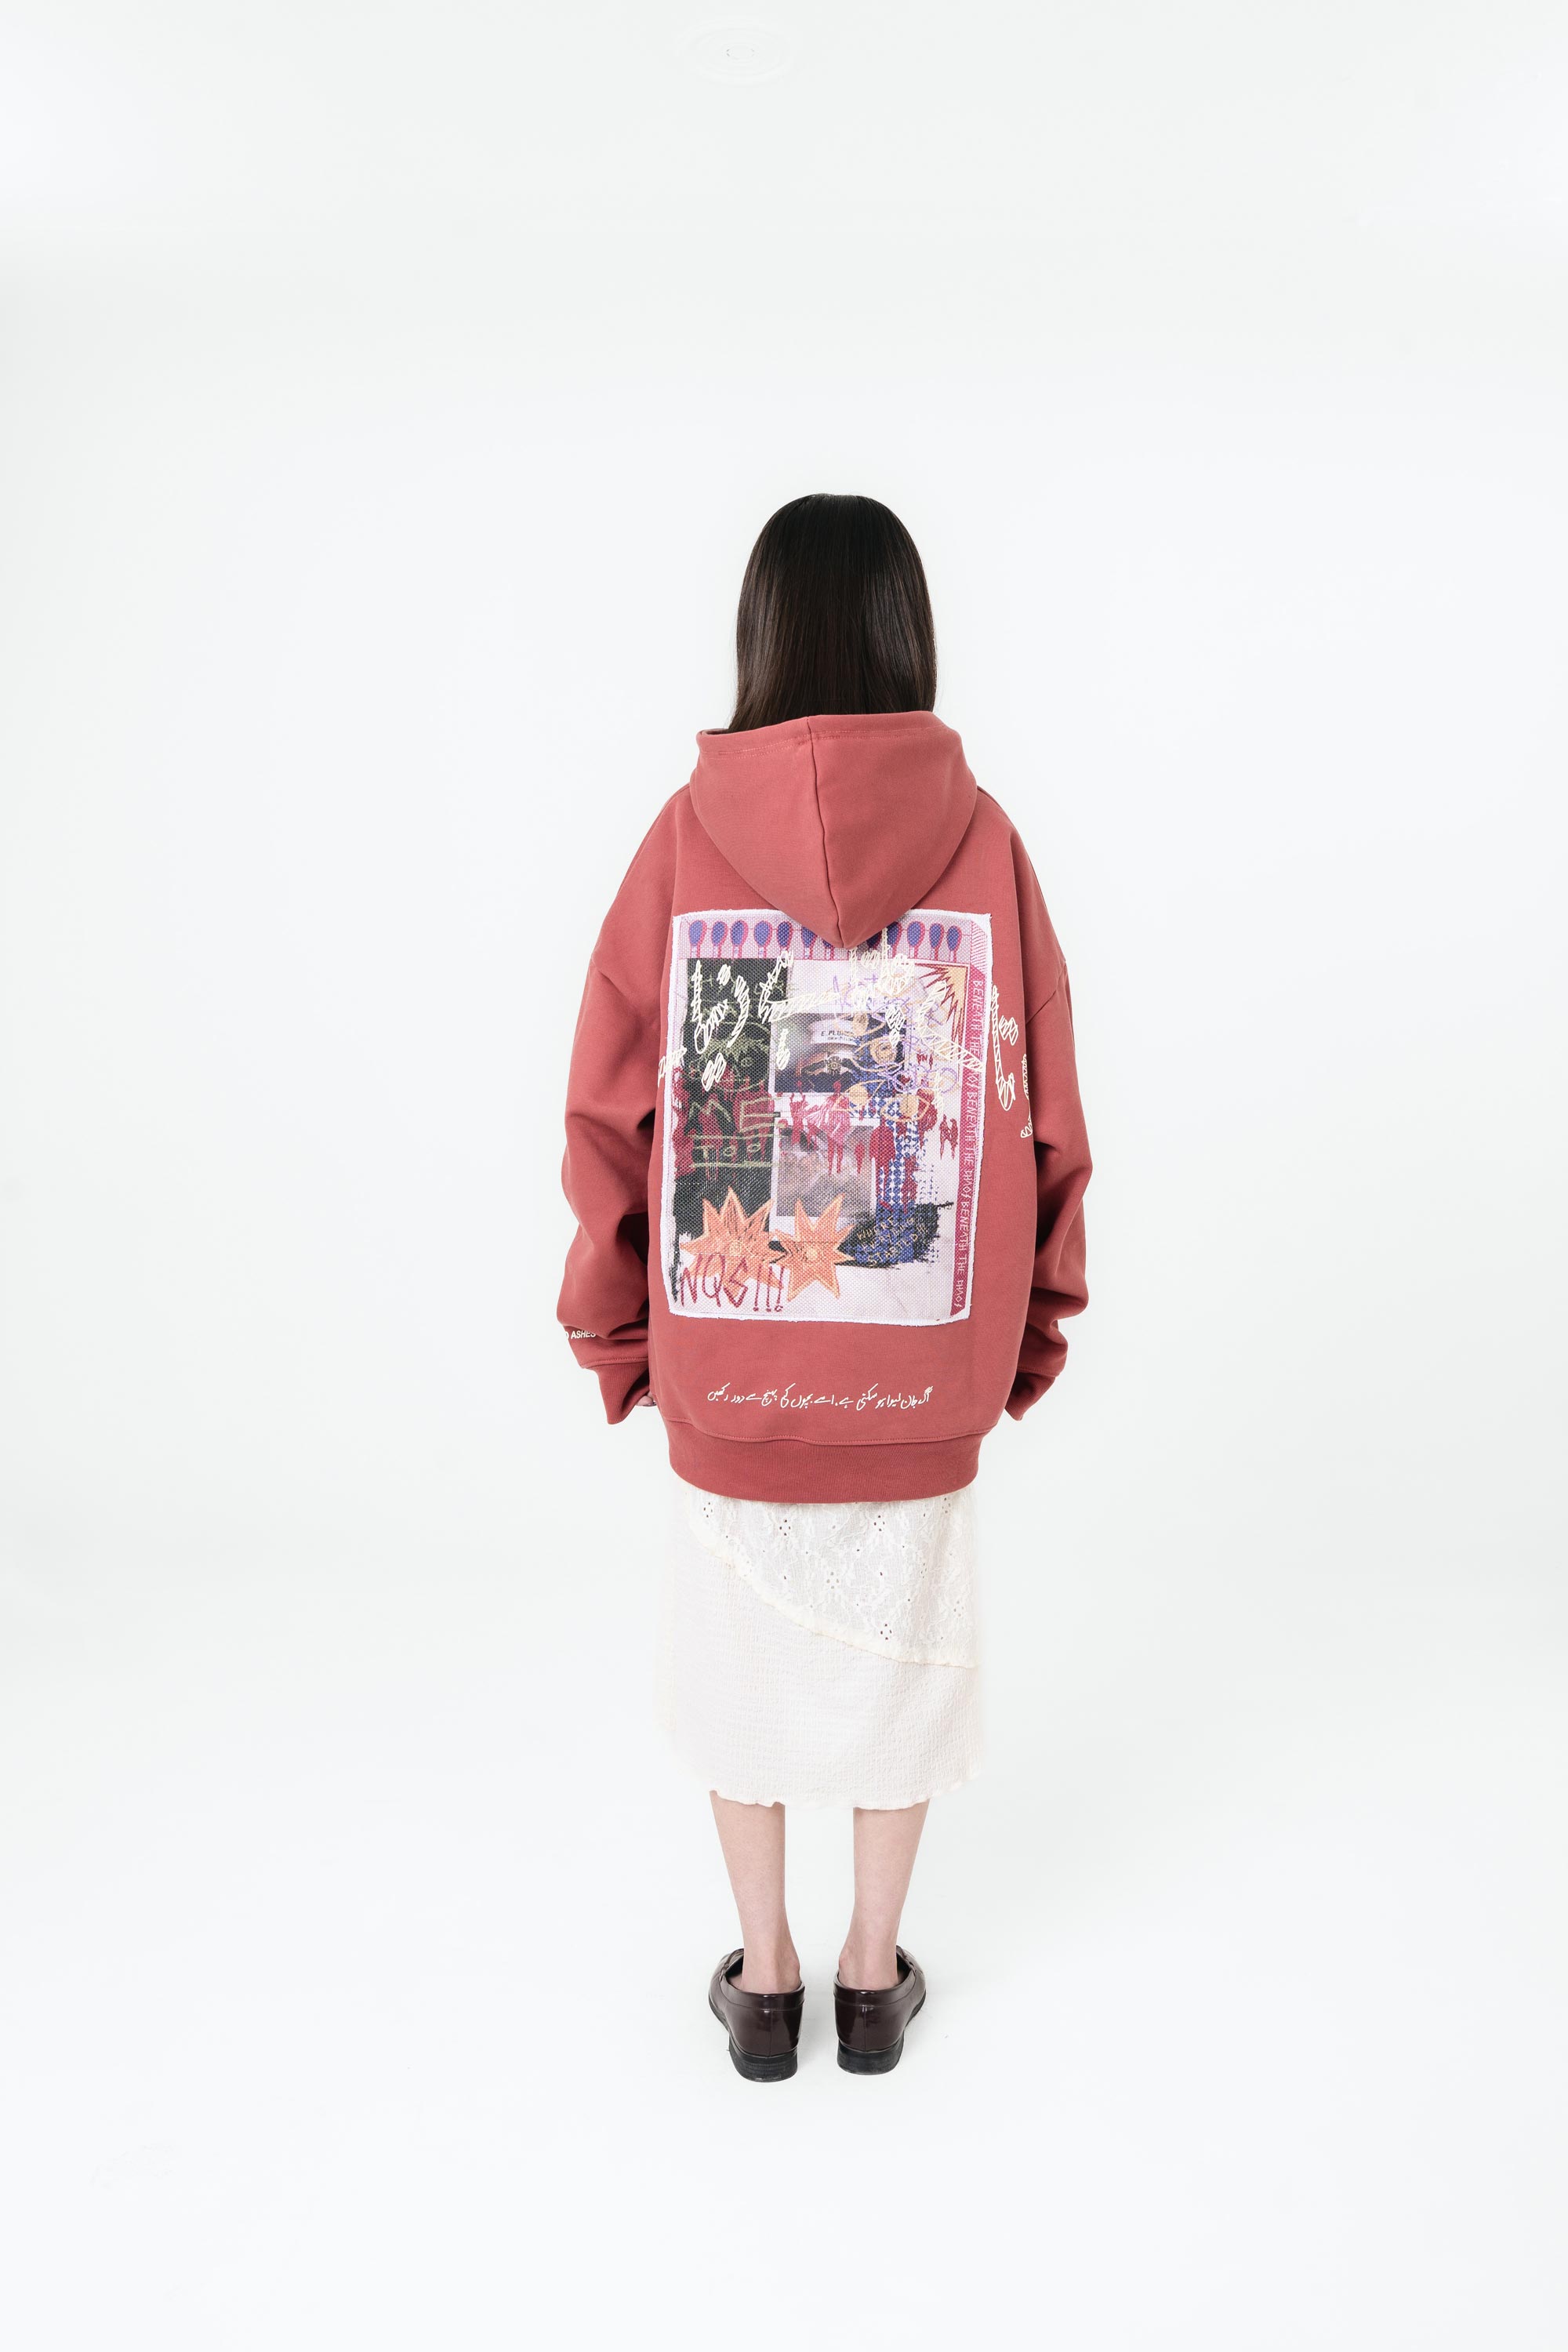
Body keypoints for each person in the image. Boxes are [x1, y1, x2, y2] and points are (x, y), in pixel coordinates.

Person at [557, 492, 1091, 2081]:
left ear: (760, 635)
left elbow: (609, 1107)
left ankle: (766, 1978)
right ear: (906, 633)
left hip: (733, 1375)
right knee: (900, 1666)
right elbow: (1051, 1115)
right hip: (920, 1377)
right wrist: (1028, 1332)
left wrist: (615, 1326)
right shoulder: (988, 847)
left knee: (740, 1669)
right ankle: (872, 1977)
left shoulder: (682, 842)